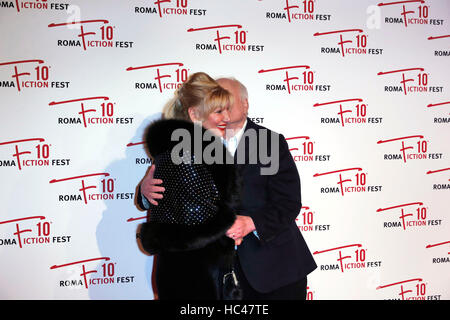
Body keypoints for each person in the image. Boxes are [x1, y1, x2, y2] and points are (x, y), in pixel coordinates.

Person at [140, 77, 317, 300]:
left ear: (245, 104)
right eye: (217, 105)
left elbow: (288, 201)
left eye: (227, 103)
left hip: (272, 271)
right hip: (211, 273)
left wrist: (251, 223)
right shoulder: (182, 145)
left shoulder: (267, 143)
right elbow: (171, 196)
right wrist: (145, 192)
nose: (224, 113)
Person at [136, 72, 242, 300]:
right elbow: (199, 215)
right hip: (198, 270)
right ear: (194, 114)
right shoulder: (189, 154)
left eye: (227, 109)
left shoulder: (180, 149)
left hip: (182, 266)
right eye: (219, 111)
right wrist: (229, 224)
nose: (227, 117)